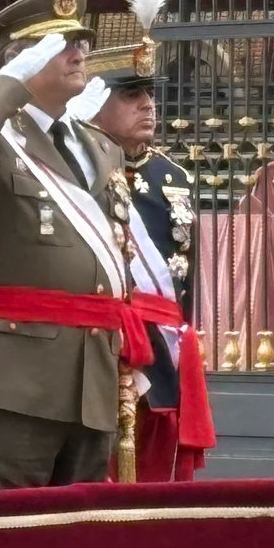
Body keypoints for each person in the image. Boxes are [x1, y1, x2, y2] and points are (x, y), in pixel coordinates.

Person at [0, 0, 136, 489]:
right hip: (16, 377)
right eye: (59, 44)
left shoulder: (100, 146)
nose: (78, 53)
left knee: (77, 529)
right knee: (8, 528)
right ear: (21, 59)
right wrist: (7, 84)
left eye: (81, 43)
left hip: (91, 374)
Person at [78, 30, 216, 482]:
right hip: (105, 344)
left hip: (163, 348)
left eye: (150, 95)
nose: (148, 105)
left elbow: (186, 271)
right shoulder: (79, 174)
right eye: (132, 95)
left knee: (158, 474)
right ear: (96, 104)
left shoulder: (171, 174)